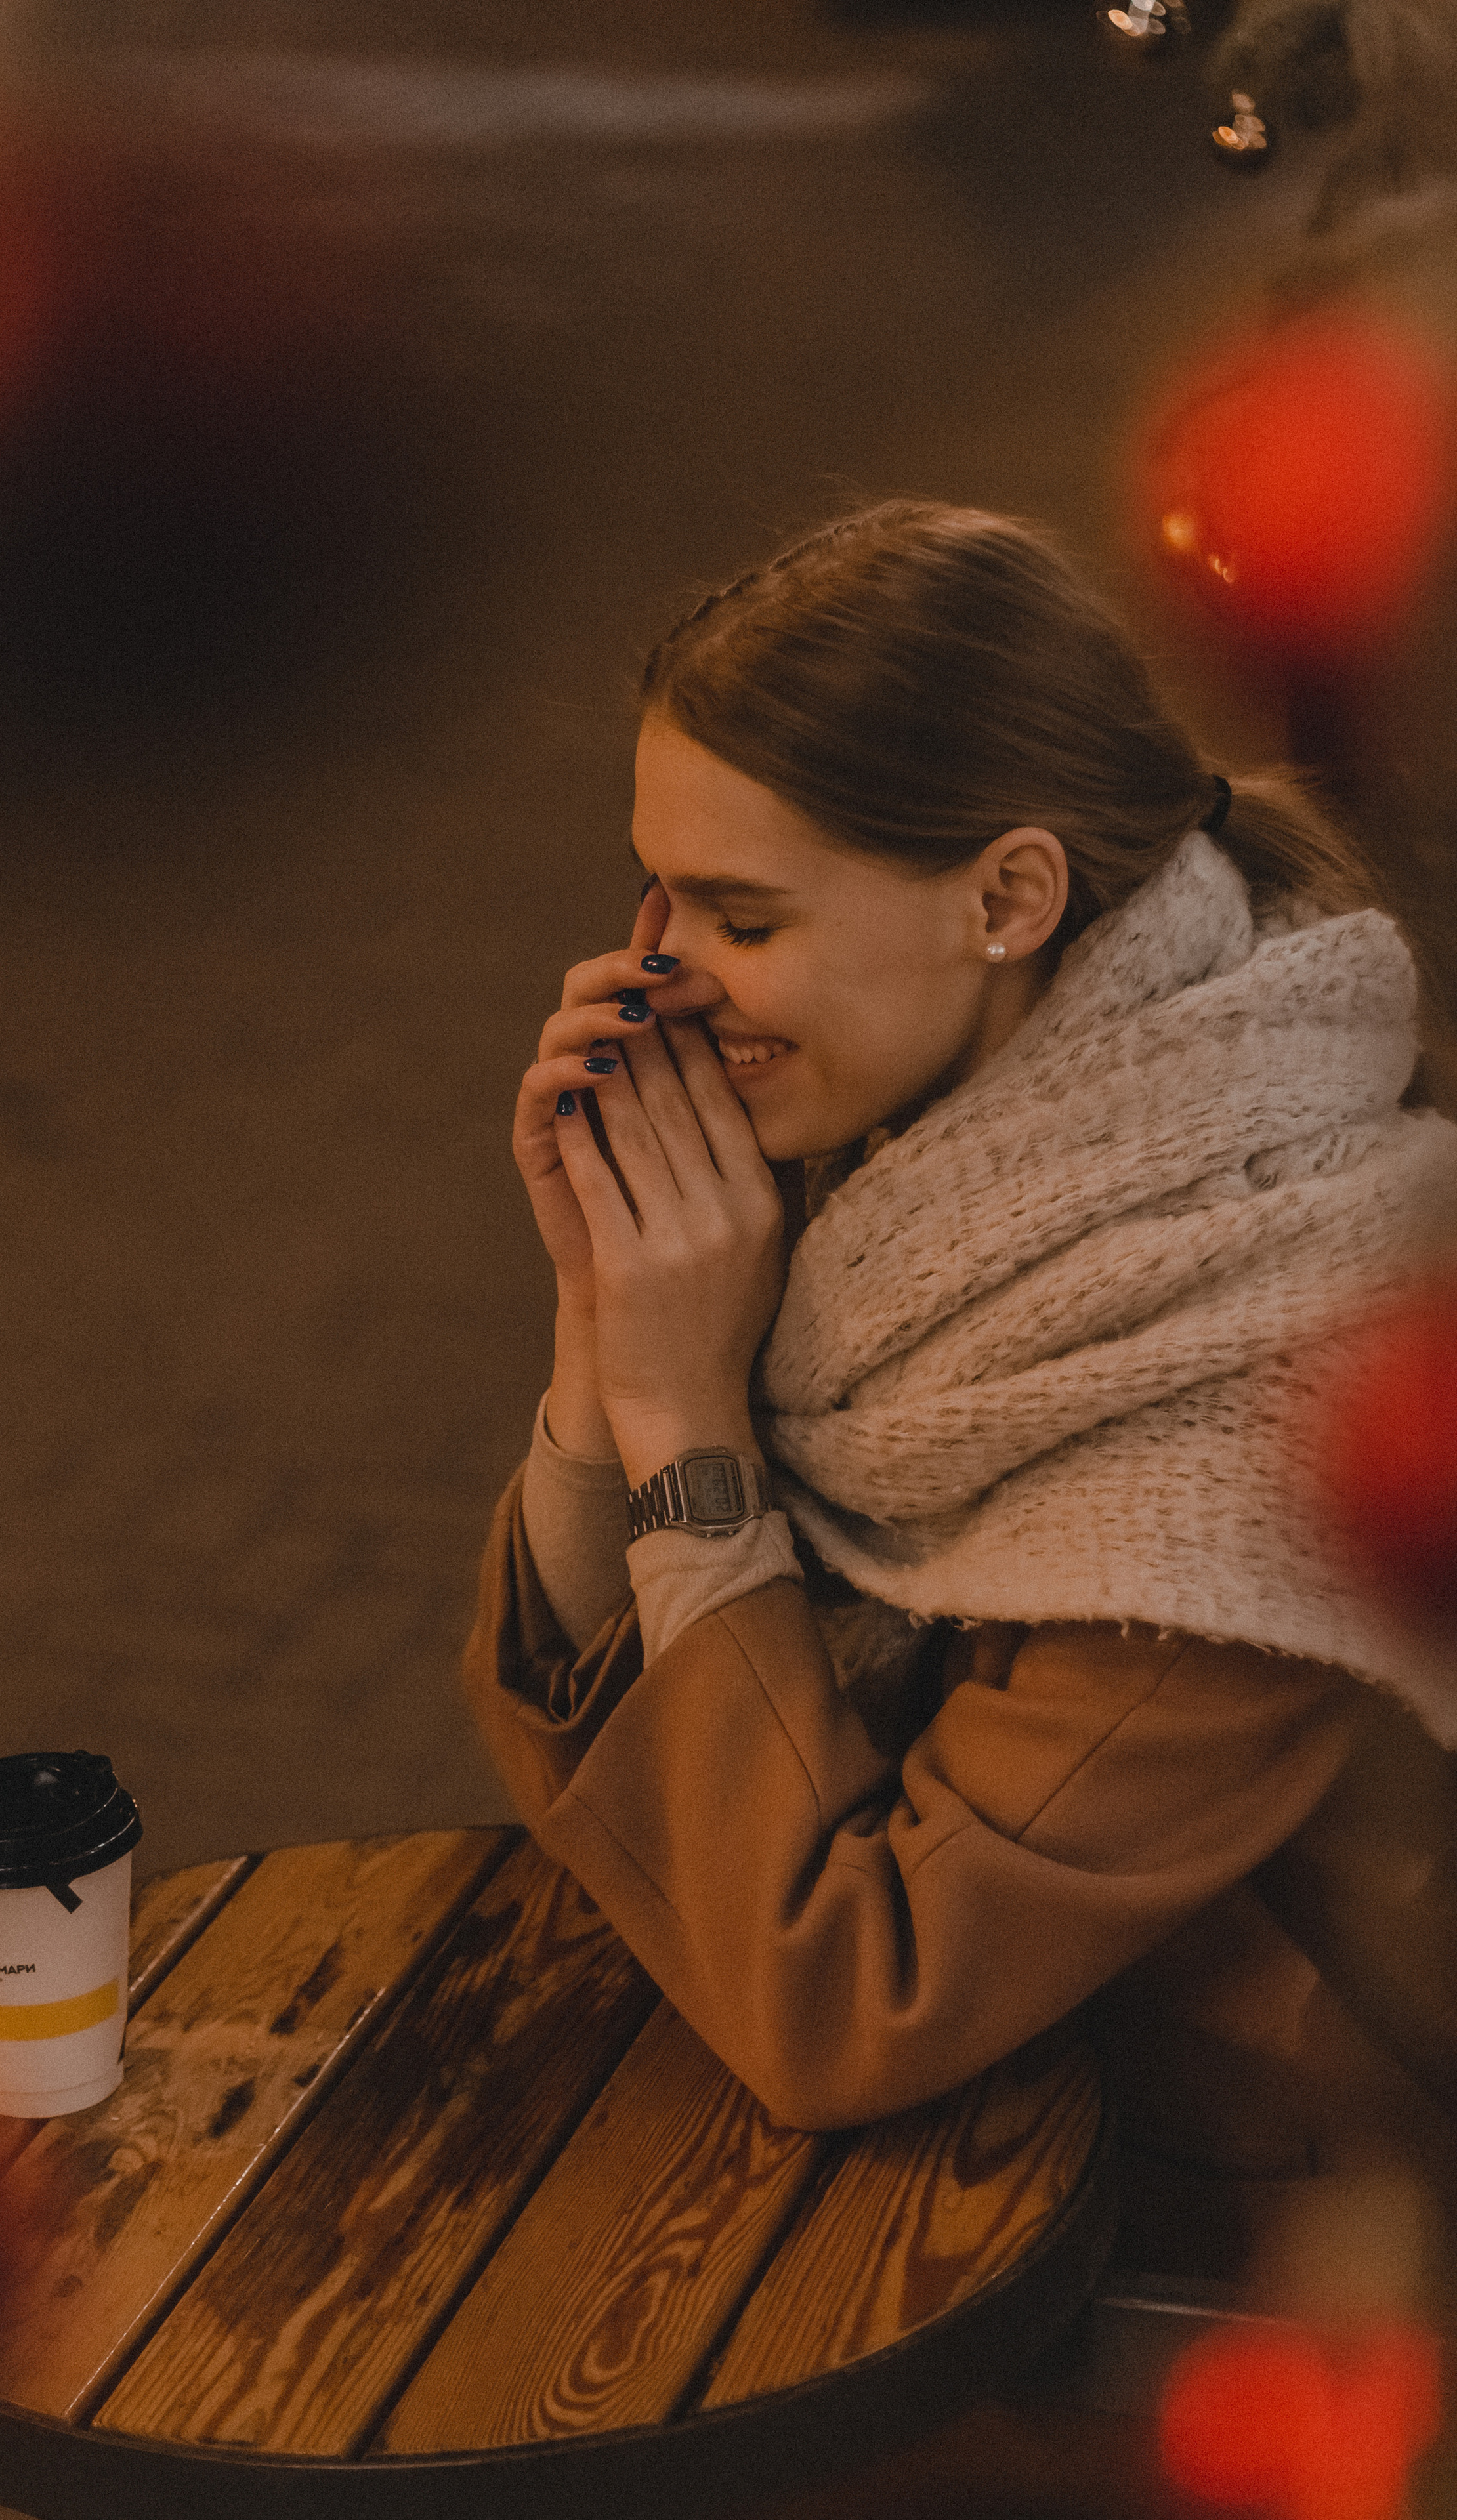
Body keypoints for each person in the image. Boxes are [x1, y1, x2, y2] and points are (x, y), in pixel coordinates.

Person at [462, 500, 1457, 2294]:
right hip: (1005, 2184)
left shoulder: (1230, 1449)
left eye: (741, 915)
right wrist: (598, 1337)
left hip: (1233, 2293)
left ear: (1009, 898)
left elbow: (841, 2001)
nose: (657, 977)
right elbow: (606, 1732)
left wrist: (691, 1436)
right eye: (655, 889)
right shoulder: (930, 1170)